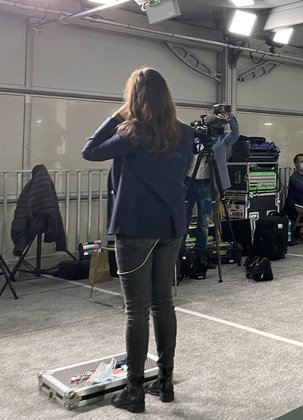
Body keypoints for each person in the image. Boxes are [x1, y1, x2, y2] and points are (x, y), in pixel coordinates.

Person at [82, 67, 193, 413]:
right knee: (164, 303)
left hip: (136, 228)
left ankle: (134, 391)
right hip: (171, 226)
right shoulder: (186, 134)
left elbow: (89, 149)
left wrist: (118, 112)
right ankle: (165, 381)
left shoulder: (131, 133)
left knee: (136, 311)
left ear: (135, 98)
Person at [185, 107, 239, 255]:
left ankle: (200, 253)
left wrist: (230, 117)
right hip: (188, 183)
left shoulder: (221, 139)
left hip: (207, 184)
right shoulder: (193, 138)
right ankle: (180, 252)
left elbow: (235, 134)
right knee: (183, 219)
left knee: (203, 221)